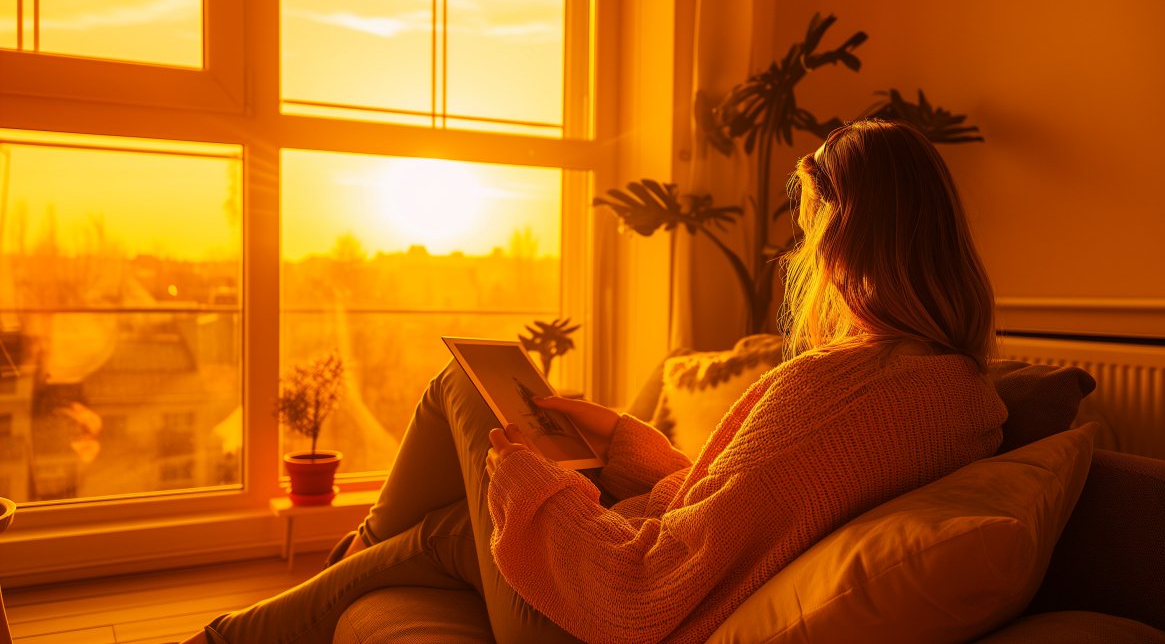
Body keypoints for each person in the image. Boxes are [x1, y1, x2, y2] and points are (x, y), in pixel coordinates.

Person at [182, 118, 1006, 644]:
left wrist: (539, 485)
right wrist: (616, 443)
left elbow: (648, 591)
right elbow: (753, 511)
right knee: (445, 531)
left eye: (813, 227)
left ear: (845, 239)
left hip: (601, 627)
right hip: (654, 588)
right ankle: (240, 629)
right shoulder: (962, 393)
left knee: (461, 388)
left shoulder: (837, 390)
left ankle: (286, 596)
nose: (806, 252)